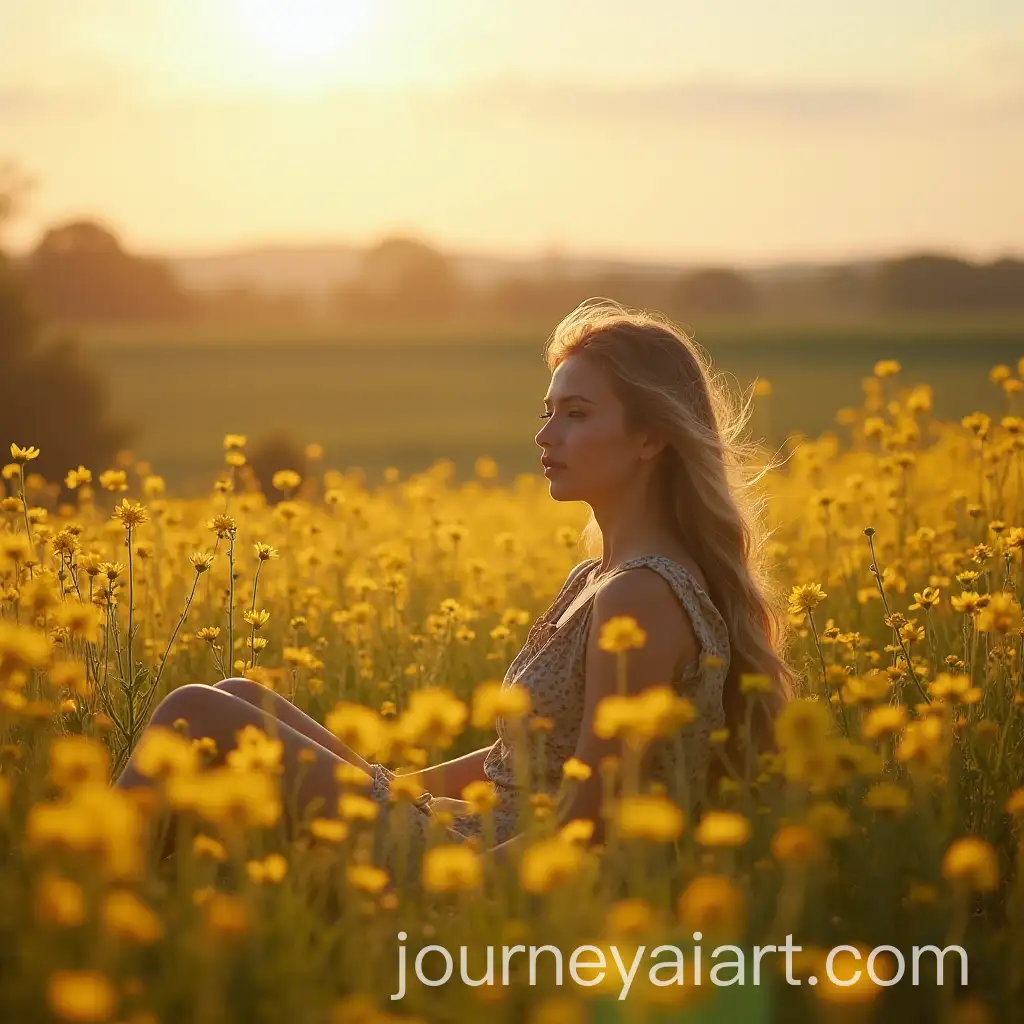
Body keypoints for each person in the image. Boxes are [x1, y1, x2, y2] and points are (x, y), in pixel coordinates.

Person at [115, 297, 794, 874]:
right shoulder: (596, 577)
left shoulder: (640, 596)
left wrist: (460, 888)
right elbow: (521, 757)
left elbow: (593, 820)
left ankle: (93, 909)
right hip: (474, 827)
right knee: (238, 698)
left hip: (499, 865)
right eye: (548, 410)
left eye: (577, 414)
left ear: (650, 438)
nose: (545, 434)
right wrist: (397, 787)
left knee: (193, 713)